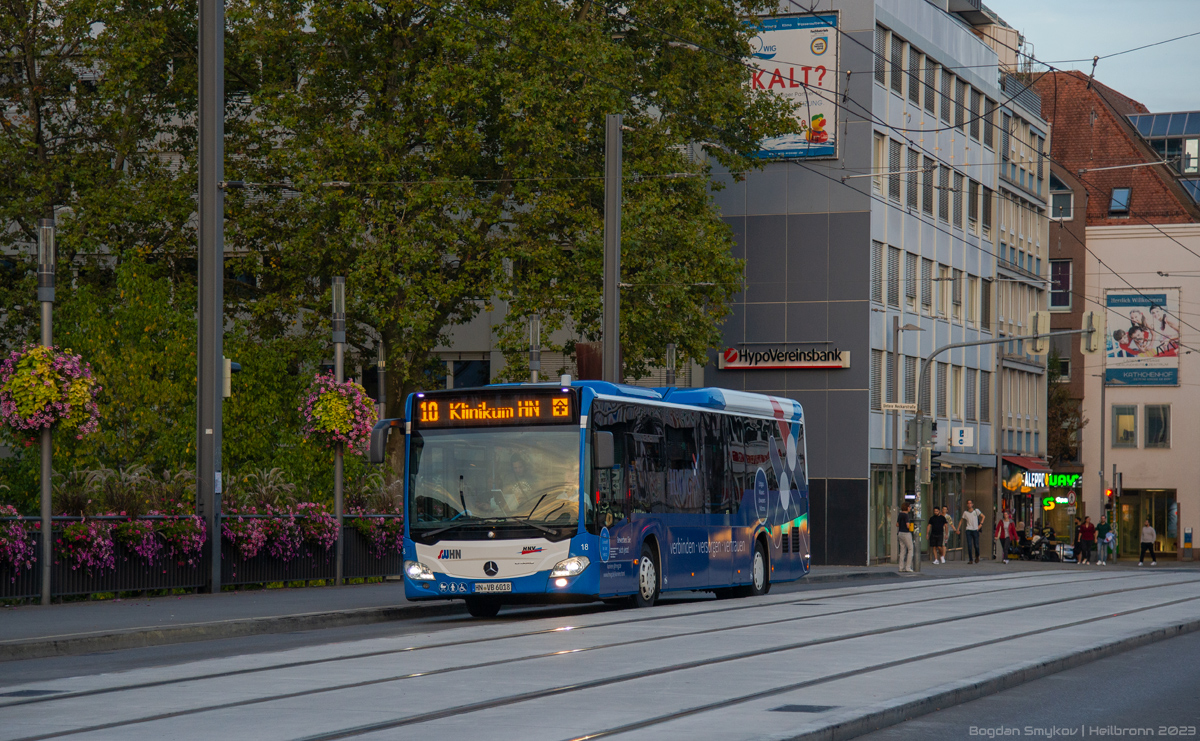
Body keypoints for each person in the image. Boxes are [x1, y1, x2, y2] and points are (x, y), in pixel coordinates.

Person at [959, 499, 985, 564]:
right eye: (968, 503)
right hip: (968, 530)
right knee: (969, 544)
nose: (969, 504)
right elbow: (961, 520)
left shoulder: (976, 511)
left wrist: (980, 524)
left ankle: (977, 556)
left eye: (970, 503)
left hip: (975, 530)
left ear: (972, 504)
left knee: (976, 545)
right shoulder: (965, 513)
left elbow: (983, 516)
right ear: (967, 505)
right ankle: (971, 559)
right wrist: (958, 528)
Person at [897, 502, 914, 573]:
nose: (910, 508)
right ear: (906, 507)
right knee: (910, 549)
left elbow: (897, 524)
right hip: (906, 533)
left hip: (900, 533)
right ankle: (908, 567)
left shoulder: (900, 514)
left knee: (902, 550)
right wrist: (912, 527)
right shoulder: (906, 515)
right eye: (909, 507)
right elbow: (907, 525)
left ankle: (901, 567)